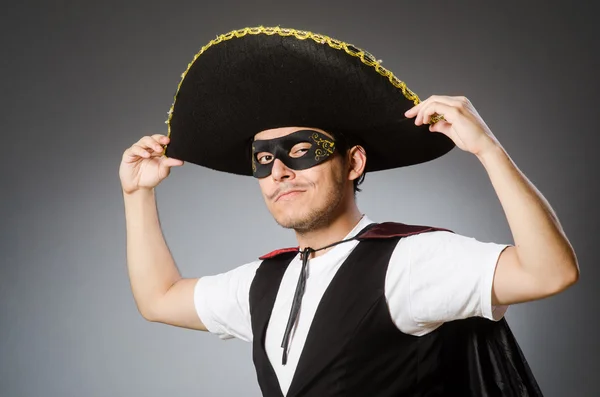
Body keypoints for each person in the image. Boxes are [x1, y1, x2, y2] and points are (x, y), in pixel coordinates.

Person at [119, 27, 579, 396]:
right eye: (263, 160)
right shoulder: (263, 284)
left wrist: (489, 151)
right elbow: (159, 298)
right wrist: (137, 196)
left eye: (301, 151)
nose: (278, 171)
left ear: (353, 162)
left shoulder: (410, 261)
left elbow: (549, 273)